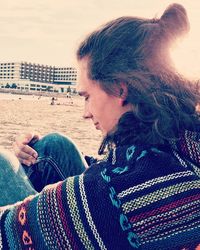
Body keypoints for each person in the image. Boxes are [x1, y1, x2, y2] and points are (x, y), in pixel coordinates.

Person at [0, 3, 200, 249]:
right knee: (53, 146)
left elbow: (7, 230)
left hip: (118, 219)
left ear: (119, 89)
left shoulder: (123, 195)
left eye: (86, 96)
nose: (85, 113)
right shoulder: (182, 142)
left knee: (2, 164)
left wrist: (54, 200)